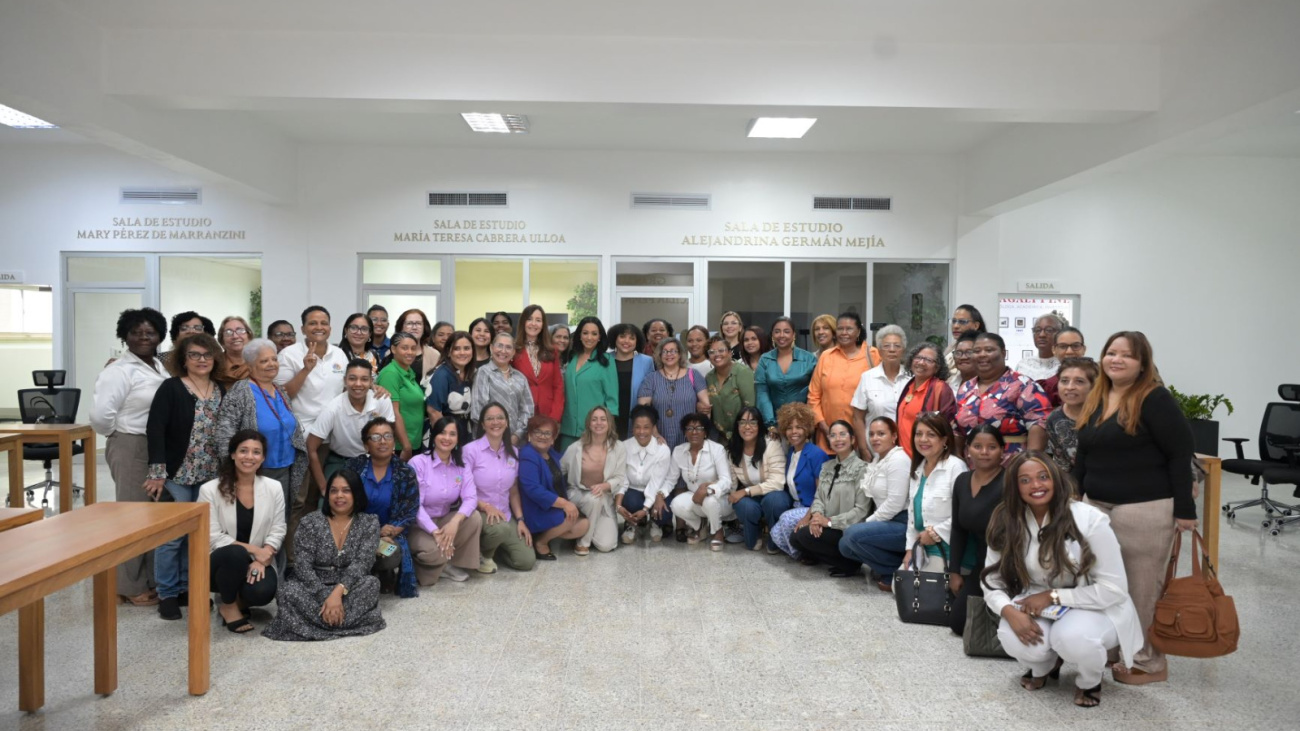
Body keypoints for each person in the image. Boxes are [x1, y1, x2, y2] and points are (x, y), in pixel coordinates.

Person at [1072, 331, 1195, 686]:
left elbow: (1180, 453)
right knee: (1105, 582)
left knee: (1141, 588)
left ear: (1143, 364)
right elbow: (1084, 452)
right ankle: (1114, 648)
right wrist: (1075, 497)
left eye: (1127, 355)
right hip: (1096, 505)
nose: (1117, 360)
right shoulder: (1099, 395)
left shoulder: (1154, 398)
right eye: (1111, 352)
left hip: (1144, 507)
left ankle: (1147, 661)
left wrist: (1185, 510)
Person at [984, 451, 1143, 708]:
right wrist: (1008, 611)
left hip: (1094, 603)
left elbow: (1114, 589)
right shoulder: (1007, 520)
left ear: (1056, 479)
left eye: (1043, 476)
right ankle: (1044, 667)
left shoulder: (1089, 519)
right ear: (1015, 487)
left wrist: (1053, 596)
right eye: (1025, 480)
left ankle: (1090, 681)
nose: (1036, 485)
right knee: (1012, 634)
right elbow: (991, 580)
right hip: (1037, 600)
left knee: (1073, 637)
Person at [145, 332, 229, 620]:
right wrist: (157, 473)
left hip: (209, 474)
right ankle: (168, 593)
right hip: (177, 473)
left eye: (207, 355)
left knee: (198, 536)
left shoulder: (220, 389)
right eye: (194, 355)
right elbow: (155, 429)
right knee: (172, 536)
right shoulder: (171, 387)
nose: (201, 360)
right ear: (184, 359)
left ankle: (189, 588)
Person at [90, 307, 169, 607]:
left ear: (160, 336)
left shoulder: (158, 366)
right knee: (131, 515)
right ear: (125, 336)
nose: (144, 337)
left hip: (154, 446)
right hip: (130, 444)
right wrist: (119, 434)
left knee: (149, 515)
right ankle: (128, 586)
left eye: (150, 332)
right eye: (136, 332)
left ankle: (147, 580)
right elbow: (100, 417)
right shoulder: (118, 371)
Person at [262, 468, 386, 641]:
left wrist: (337, 593)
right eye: (334, 491)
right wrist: (325, 596)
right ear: (327, 495)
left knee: (371, 584)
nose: (339, 496)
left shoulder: (369, 522)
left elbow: (363, 563)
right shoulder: (310, 522)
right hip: (314, 585)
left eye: (346, 490)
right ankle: (342, 621)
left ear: (356, 493)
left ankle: (311, 624)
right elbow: (302, 566)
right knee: (287, 591)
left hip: (348, 586)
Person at [197, 430, 286, 634]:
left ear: (262, 458)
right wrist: (256, 550)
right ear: (233, 454)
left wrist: (263, 556)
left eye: (256, 452)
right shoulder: (209, 490)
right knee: (235, 553)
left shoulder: (274, 488)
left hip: (257, 558)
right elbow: (212, 537)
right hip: (218, 562)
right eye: (243, 451)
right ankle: (227, 605)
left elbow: (278, 528)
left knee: (262, 592)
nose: (249, 457)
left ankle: (238, 598)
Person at [276, 305, 350, 545]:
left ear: (330, 327)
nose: (319, 327)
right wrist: (305, 369)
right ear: (303, 328)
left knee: (320, 498)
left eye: (324, 323)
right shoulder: (289, 355)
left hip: (332, 438)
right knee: (298, 499)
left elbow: (347, 389)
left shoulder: (339, 354)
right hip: (300, 438)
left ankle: (313, 550)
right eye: (313, 323)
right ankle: (291, 557)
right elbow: (282, 395)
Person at [216, 338, 308, 530]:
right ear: (250, 366)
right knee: (255, 524)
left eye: (274, 359)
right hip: (254, 472)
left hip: (285, 469)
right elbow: (225, 433)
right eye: (264, 361)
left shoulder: (280, 391)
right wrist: (233, 471)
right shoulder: (240, 392)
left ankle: (276, 552)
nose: (271, 364)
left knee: (279, 522)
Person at [344, 417, 419, 598]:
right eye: (376, 437)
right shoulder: (353, 468)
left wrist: (390, 532)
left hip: (390, 534)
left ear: (394, 442)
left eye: (387, 436)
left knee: (389, 555)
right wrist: (373, 532)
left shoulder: (405, 472)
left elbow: (410, 511)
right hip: (355, 532)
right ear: (366, 445)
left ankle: (384, 572)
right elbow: (341, 506)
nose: (383, 441)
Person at [837, 416, 912, 591]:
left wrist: (868, 522)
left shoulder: (899, 459)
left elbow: (895, 503)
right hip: (888, 520)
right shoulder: (878, 459)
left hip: (903, 522)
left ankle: (894, 572)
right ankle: (890, 566)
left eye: (881, 434)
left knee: (852, 535)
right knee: (844, 546)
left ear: (894, 436)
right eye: (871, 434)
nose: (875, 438)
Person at [788, 420, 870, 576]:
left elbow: (861, 511)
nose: (838, 439)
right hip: (826, 525)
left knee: (804, 536)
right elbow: (819, 497)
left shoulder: (862, 469)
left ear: (852, 439)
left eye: (842, 434)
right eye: (833, 435)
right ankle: (841, 560)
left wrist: (829, 521)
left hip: (847, 527)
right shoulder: (827, 466)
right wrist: (817, 516)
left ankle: (851, 562)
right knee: (795, 538)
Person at [407, 417, 483, 584]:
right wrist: (435, 532)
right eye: (442, 433)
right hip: (418, 525)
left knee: (474, 517)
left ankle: (450, 563)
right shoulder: (418, 463)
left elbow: (471, 498)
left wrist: (455, 522)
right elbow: (414, 505)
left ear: (458, 439)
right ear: (434, 436)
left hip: (444, 520)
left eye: (452, 434)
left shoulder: (461, 466)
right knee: (433, 551)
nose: (447, 438)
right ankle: (435, 564)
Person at [947, 425, 1006, 634]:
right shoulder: (962, 481)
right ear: (968, 450)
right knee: (958, 623)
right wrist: (954, 572)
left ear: (1002, 451)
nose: (984, 452)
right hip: (980, 566)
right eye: (978, 446)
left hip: (1006, 566)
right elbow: (958, 529)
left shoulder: (1009, 482)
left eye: (992, 447)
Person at [955, 333, 1051, 461]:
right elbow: (958, 429)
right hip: (972, 464)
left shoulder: (1023, 384)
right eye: (977, 351)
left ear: (1003, 353)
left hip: (1012, 463)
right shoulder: (966, 388)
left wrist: (1031, 463)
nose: (982, 354)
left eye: (989, 350)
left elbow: (1039, 424)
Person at [464, 402, 536, 572]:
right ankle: (481, 555)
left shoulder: (513, 452)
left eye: (500, 418)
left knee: (526, 562)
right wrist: (486, 506)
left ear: (507, 422)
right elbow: (463, 490)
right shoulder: (470, 451)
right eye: (490, 419)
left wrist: (520, 520)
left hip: (504, 514)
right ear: (483, 424)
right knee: (500, 529)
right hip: (478, 512)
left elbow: (513, 491)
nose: (495, 422)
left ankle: (495, 549)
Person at [308, 359, 397, 493]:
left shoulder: (381, 400)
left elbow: (389, 436)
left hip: (374, 460)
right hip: (341, 461)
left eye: (364, 379)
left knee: (382, 496)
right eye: (352, 378)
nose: (358, 384)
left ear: (371, 382)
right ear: (345, 381)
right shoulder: (333, 408)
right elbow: (311, 447)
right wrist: (322, 486)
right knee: (330, 501)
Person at [901, 413, 969, 578]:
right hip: (922, 548)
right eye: (919, 434)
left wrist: (936, 532)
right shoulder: (918, 468)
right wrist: (909, 549)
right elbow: (912, 516)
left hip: (948, 549)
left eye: (931, 435)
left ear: (945, 440)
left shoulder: (956, 467)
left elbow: (964, 513)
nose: (923, 439)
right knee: (901, 586)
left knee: (921, 590)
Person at [518, 415, 589, 560]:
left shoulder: (551, 453)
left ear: (553, 438)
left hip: (552, 506)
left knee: (583, 525)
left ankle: (547, 533)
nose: (542, 436)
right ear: (529, 435)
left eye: (547, 433)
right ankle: (541, 542)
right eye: (537, 432)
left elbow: (568, 465)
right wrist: (564, 504)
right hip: (536, 509)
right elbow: (533, 489)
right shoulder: (527, 454)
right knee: (570, 518)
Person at [808, 312, 879, 451]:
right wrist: (825, 428)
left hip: (863, 441)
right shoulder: (826, 357)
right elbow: (813, 396)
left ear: (858, 331)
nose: (844, 333)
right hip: (828, 439)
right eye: (840, 329)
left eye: (849, 329)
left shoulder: (873, 355)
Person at [560, 405, 626, 555]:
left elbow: (620, 477)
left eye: (603, 419)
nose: (598, 423)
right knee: (593, 499)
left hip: (604, 498)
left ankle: (580, 526)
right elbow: (559, 470)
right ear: (589, 423)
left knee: (607, 545)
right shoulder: (575, 448)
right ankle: (583, 543)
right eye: (594, 419)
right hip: (577, 495)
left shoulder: (619, 447)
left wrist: (604, 486)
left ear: (609, 423)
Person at [767, 402, 829, 556]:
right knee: (775, 534)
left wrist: (807, 517)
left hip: (813, 508)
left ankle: (805, 554)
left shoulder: (817, 454)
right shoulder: (791, 453)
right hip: (796, 506)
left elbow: (822, 494)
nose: (793, 432)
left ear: (807, 429)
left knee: (786, 519)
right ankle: (803, 551)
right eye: (789, 428)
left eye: (799, 427)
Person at [667, 412, 733, 550]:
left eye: (699, 428)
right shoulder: (679, 451)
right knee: (676, 504)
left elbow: (726, 481)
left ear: (706, 432)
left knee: (709, 501)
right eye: (690, 428)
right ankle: (700, 526)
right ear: (685, 432)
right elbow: (671, 480)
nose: (694, 432)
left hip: (719, 499)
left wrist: (709, 490)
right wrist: (660, 494)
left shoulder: (717, 449)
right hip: (694, 497)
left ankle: (718, 531)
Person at [726, 406, 787, 551]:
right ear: (737, 426)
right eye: (742, 422)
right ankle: (755, 533)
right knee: (743, 505)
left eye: (753, 422)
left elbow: (777, 482)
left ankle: (775, 539)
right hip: (753, 497)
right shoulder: (732, 450)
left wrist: (746, 491)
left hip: (774, 493)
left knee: (773, 501)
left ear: (760, 425)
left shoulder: (771, 444)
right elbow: (732, 484)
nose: (747, 427)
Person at [561, 317, 620, 451]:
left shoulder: (606, 361)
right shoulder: (571, 357)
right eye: (585, 333)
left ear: (600, 337)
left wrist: (607, 429)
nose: (589, 337)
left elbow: (612, 399)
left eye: (594, 334)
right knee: (565, 463)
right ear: (579, 335)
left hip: (594, 430)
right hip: (568, 428)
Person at [617, 405, 674, 544]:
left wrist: (645, 509)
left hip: (656, 491)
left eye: (646, 427)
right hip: (633, 490)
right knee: (630, 502)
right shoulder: (623, 447)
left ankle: (654, 523)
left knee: (664, 511)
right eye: (637, 427)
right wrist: (618, 505)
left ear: (653, 428)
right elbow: (622, 480)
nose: (641, 432)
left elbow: (656, 482)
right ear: (632, 428)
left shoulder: (663, 450)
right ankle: (632, 523)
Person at [637, 338, 707, 449]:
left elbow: (705, 408)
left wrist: (699, 434)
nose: (669, 354)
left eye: (673, 351)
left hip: (689, 438)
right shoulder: (651, 378)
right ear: (660, 355)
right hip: (659, 440)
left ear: (680, 354)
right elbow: (643, 411)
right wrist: (655, 434)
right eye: (665, 351)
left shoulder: (694, 375)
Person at [851, 325, 909, 456]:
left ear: (903, 350)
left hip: (907, 449)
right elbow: (857, 417)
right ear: (879, 350)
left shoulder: (912, 378)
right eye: (886, 346)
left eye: (897, 346)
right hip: (875, 451)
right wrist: (863, 449)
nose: (892, 350)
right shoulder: (868, 377)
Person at [754, 317, 817, 433]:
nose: (781, 335)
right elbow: (762, 393)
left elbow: (815, 393)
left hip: (803, 425)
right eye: (777, 331)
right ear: (772, 335)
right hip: (773, 424)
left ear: (794, 335)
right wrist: (771, 424)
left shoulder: (809, 359)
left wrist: (806, 422)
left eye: (786, 331)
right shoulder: (765, 359)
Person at [469, 331, 534, 444]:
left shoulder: (520, 377)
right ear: (491, 348)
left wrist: (517, 435)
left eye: (508, 347)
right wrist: (497, 435)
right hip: (488, 439)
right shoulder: (483, 372)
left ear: (513, 352)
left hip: (516, 442)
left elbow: (528, 410)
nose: (503, 351)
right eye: (499, 346)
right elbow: (478, 411)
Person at [894, 342, 957, 457]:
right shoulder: (909, 385)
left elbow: (946, 428)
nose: (921, 362)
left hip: (925, 458)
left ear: (937, 367)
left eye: (928, 360)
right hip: (902, 458)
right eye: (918, 357)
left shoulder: (941, 389)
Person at [1044, 357, 1098, 473]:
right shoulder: (1054, 419)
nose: (1070, 387)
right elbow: (1062, 464)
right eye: (1064, 381)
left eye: (1079, 381)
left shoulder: (1107, 414)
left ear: (1094, 386)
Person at [513, 304, 565, 423]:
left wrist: (554, 417)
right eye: (529, 319)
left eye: (538, 320)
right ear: (523, 322)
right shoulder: (514, 350)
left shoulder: (552, 350)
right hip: (521, 414)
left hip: (548, 414)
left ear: (543, 325)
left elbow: (558, 386)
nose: (534, 324)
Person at [427, 331, 476, 446]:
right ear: (449, 352)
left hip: (465, 430)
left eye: (466, 348)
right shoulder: (442, 375)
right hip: (445, 434)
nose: (462, 352)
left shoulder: (471, 373)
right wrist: (448, 438)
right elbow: (433, 412)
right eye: (457, 349)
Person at [607, 323, 655, 438]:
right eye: (622, 336)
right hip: (608, 415)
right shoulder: (604, 359)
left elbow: (651, 391)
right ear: (615, 338)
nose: (626, 341)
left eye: (632, 338)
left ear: (637, 342)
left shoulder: (647, 361)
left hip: (635, 416)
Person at [705, 335, 755, 442]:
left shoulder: (743, 372)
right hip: (719, 437)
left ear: (730, 353)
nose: (716, 354)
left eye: (721, 350)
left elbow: (751, 407)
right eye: (712, 352)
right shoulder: (709, 377)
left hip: (743, 435)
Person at [1038, 327, 1086, 407]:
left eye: (1075, 346)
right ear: (1054, 350)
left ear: (1084, 349)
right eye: (1063, 346)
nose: (1069, 351)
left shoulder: (1098, 380)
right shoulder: (1049, 386)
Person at [1015, 313, 1067, 381]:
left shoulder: (1065, 365)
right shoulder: (1023, 365)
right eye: (1037, 330)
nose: (1042, 335)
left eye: (1049, 330)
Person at [393, 308, 441, 381]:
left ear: (424, 328)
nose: (414, 327)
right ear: (401, 328)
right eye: (409, 323)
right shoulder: (391, 353)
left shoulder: (434, 355)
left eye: (418, 323)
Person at [945, 304, 987, 379]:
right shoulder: (950, 348)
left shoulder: (984, 350)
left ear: (976, 326)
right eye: (954, 321)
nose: (955, 326)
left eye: (962, 322)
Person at [218, 316, 253, 381]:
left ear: (249, 336)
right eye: (228, 332)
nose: (235, 336)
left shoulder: (259, 363)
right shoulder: (214, 364)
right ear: (222, 340)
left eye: (240, 330)